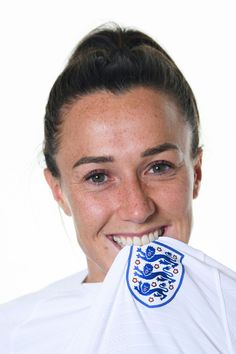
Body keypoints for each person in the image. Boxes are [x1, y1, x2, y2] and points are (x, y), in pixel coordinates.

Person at [0, 24, 236, 354]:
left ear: (196, 173)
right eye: (98, 176)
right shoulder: (13, 336)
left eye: (159, 167)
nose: (137, 209)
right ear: (58, 190)